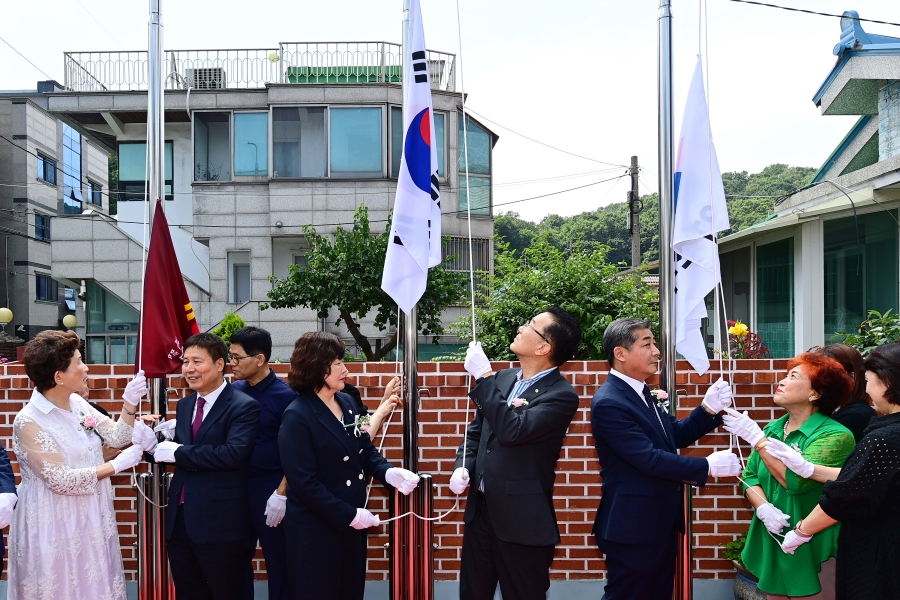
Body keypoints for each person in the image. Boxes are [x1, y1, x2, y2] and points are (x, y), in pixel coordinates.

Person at [591, 317, 740, 600]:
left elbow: (673, 434)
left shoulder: (641, 392)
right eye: (647, 344)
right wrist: (707, 466)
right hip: (633, 528)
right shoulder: (610, 401)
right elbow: (649, 459)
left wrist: (708, 409)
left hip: (655, 523)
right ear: (620, 354)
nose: (657, 351)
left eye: (655, 343)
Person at [451, 307, 583, 600]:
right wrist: (464, 466)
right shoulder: (503, 379)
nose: (521, 327)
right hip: (481, 513)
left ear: (543, 347)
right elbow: (476, 432)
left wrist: (483, 376)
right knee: (472, 594)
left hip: (522, 522)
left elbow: (512, 432)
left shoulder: (560, 395)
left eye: (531, 325)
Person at [278, 331, 419, 600]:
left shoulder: (346, 402)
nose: (345, 369)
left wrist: (387, 472)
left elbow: (363, 448)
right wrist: (349, 515)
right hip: (316, 529)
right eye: (338, 363)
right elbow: (303, 482)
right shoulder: (297, 415)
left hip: (350, 526)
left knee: (350, 591)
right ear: (317, 366)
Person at [8, 330, 147, 600]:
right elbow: (60, 480)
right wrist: (115, 466)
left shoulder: (77, 404)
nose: (86, 368)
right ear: (58, 376)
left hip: (90, 516)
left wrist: (129, 403)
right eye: (79, 362)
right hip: (53, 523)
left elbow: (118, 436)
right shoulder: (29, 421)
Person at [725, 352, 856, 599]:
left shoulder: (835, 435)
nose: (782, 381)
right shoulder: (773, 428)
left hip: (813, 541)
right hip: (774, 536)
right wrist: (763, 508)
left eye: (793, 376)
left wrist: (758, 441)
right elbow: (750, 476)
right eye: (785, 375)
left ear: (815, 394)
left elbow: (796, 481)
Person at [775, 342, 900, 600]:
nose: (865, 388)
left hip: (881, 549)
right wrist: (809, 468)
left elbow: (845, 496)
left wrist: (800, 532)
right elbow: (865, 477)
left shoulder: (884, 438)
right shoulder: (885, 433)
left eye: (868, 380)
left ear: (887, 382)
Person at [151, 332, 261, 600]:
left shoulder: (244, 407)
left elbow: (232, 454)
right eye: (185, 362)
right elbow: (181, 449)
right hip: (180, 522)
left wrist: (179, 453)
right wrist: (153, 443)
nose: (189, 369)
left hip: (222, 523)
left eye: (197, 362)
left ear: (220, 364)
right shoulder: (186, 404)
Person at [228, 326, 296, 600]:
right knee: (235, 561)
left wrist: (282, 493)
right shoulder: (233, 391)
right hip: (235, 488)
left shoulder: (286, 397)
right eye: (230, 356)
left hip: (271, 488)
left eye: (237, 358)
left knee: (279, 562)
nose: (232, 364)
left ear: (260, 359)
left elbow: (297, 452)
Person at [814, 344, 877, 444]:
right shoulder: (836, 410)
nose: (818, 381)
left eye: (827, 374)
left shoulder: (855, 416)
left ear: (851, 376)